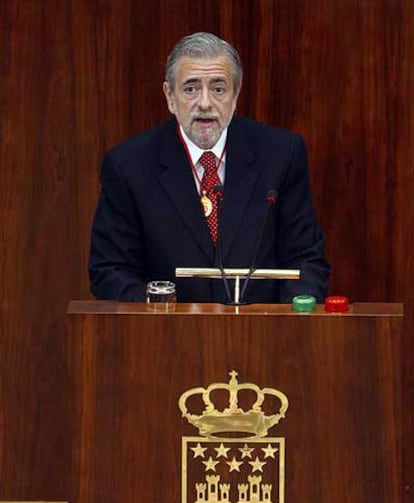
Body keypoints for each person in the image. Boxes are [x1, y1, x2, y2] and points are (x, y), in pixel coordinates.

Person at [89, 32, 330, 304]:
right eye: (191, 88)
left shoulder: (281, 154)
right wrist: (159, 314)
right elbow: (110, 271)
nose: (205, 103)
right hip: (165, 338)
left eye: (218, 89)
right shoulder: (128, 166)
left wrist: (286, 323)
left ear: (235, 95)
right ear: (169, 95)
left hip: (263, 338)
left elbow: (306, 260)